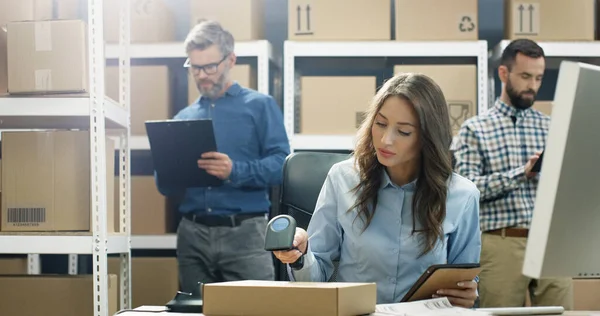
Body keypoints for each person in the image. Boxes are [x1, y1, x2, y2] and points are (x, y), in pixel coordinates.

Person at [273, 72, 482, 307]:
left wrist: (468, 295)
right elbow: (316, 278)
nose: (385, 140)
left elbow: (464, 284)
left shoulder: (462, 195)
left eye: (403, 131)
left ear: (429, 137)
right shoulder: (342, 178)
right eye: (380, 124)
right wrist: (300, 257)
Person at [155, 20, 291, 293]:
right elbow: (165, 187)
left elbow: (282, 166)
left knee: (258, 310)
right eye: (195, 67)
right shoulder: (183, 118)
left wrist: (234, 171)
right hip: (192, 234)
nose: (202, 75)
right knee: (195, 312)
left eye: (209, 67)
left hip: (245, 235)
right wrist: (169, 168)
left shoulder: (259, 106)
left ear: (231, 60)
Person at [453, 39, 573, 308]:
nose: (533, 86)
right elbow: (467, 190)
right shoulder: (475, 129)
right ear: (504, 74)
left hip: (550, 244)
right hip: (502, 242)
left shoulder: (552, 127)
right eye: (526, 76)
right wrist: (521, 173)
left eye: (539, 78)